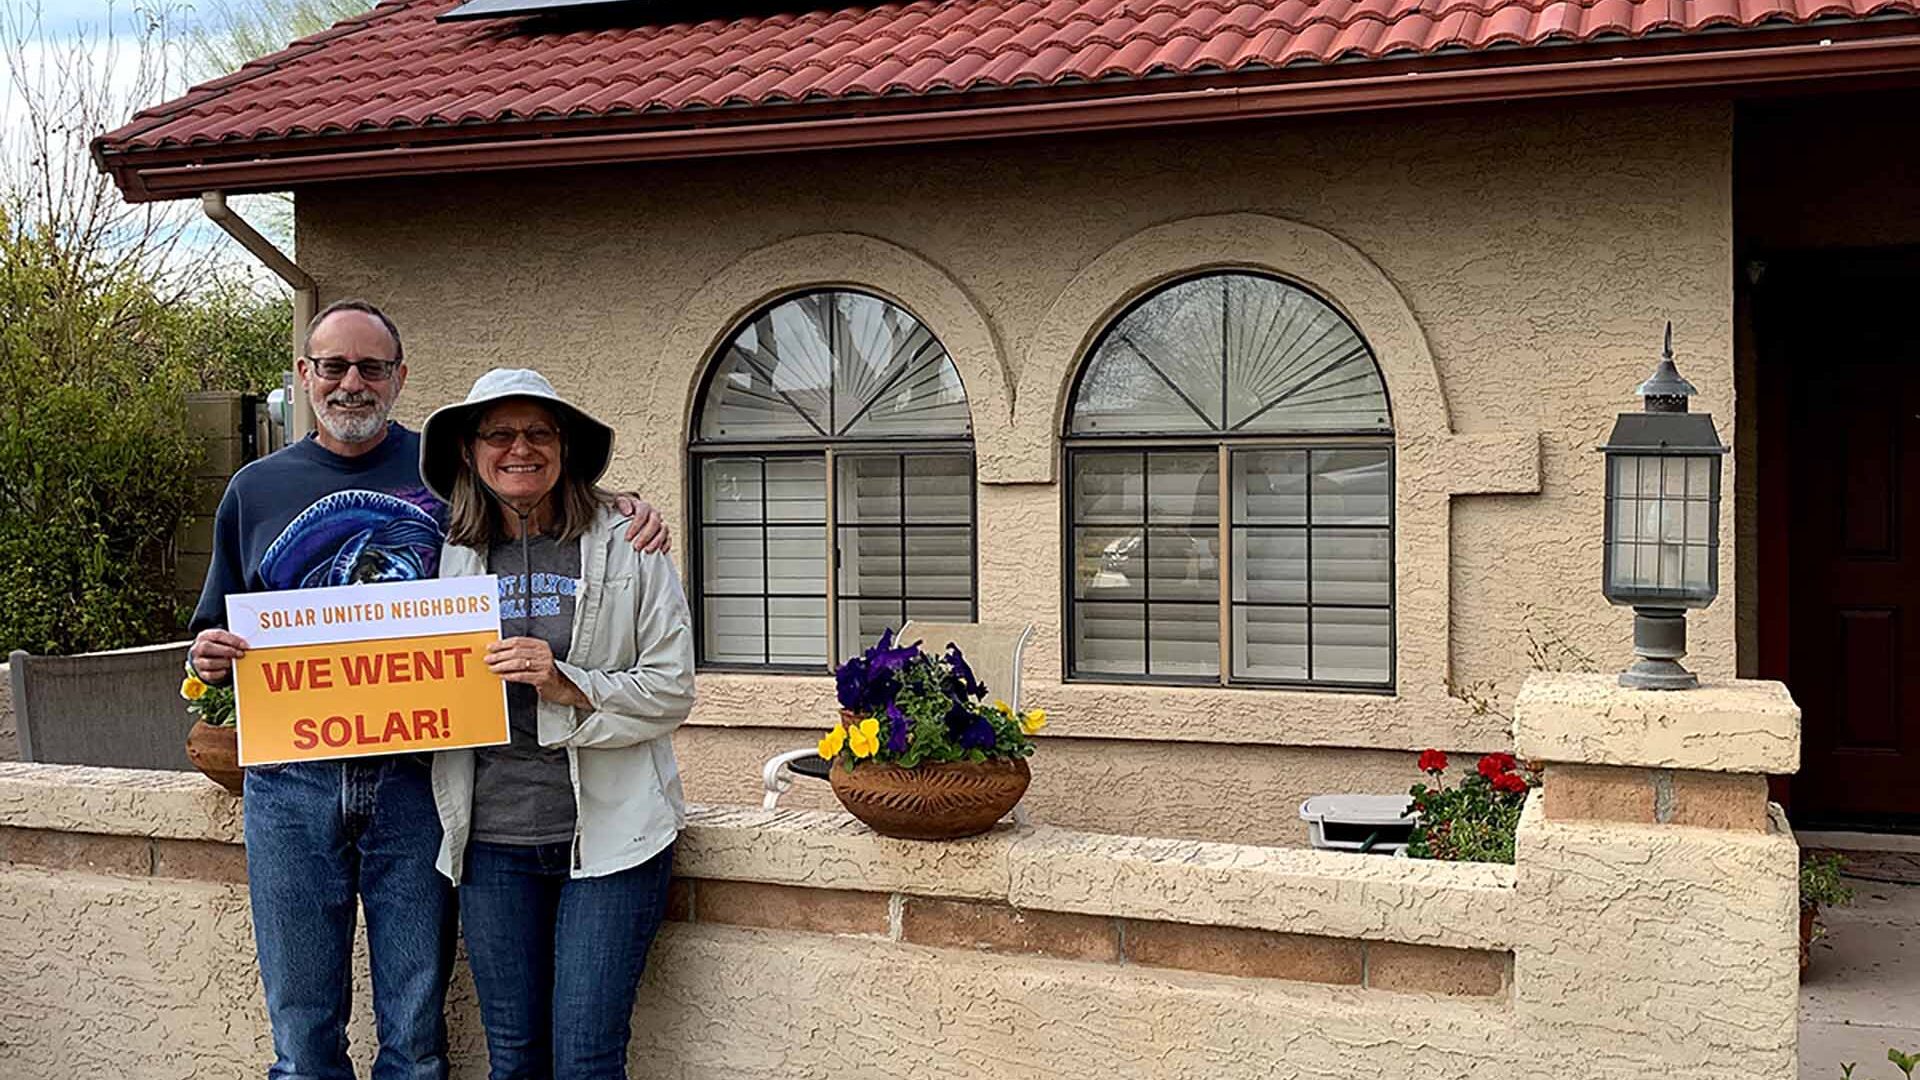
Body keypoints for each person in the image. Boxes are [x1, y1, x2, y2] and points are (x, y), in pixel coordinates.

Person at [186, 300, 671, 1080]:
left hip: (417, 781)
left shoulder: (449, 481)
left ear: (399, 378)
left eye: (371, 367)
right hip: (292, 781)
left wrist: (629, 508)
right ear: (306, 375)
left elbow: (542, 505)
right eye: (334, 366)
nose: (353, 382)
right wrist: (209, 655)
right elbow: (215, 632)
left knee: (415, 1038)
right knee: (303, 1034)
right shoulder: (253, 487)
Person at [418, 368, 693, 1080]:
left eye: (539, 432)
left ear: (565, 446)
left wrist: (569, 683)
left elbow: (672, 691)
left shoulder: (632, 543)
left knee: (587, 1058)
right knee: (513, 1058)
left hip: (610, 840)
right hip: (490, 844)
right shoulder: (441, 550)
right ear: (471, 451)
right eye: (500, 434)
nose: (520, 448)